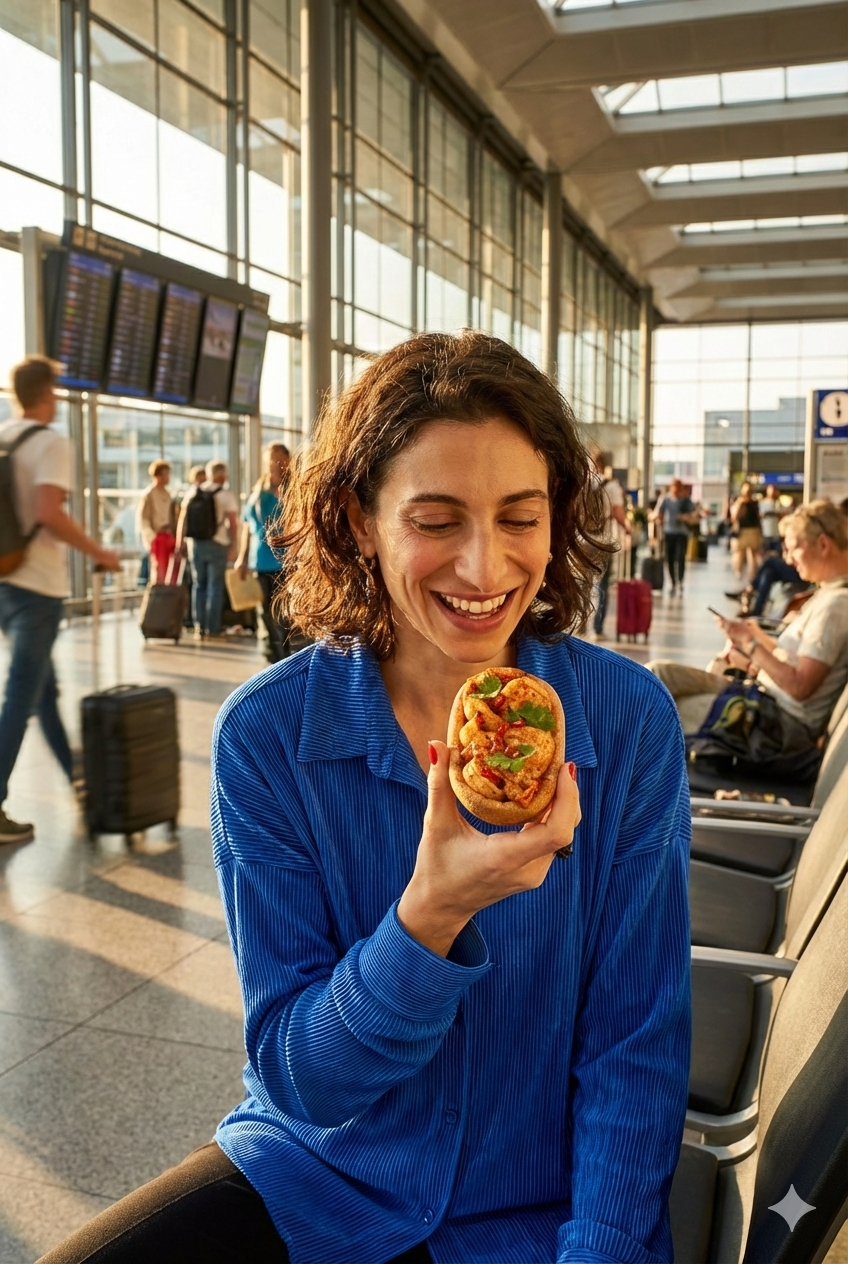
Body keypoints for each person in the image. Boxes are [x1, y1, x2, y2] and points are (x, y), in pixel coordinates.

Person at [45, 332, 691, 1264]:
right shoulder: (268, 737)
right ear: (357, 521)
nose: (484, 569)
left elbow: (636, 1050)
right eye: (435, 520)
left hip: (537, 1214)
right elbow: (303, 1081)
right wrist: (429, 918)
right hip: (320, 1181)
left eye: (520, 517)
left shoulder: (624, 723)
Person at [0, 355, 120, 845]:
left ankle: (76, 775)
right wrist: (100, 553)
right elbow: (50, 512)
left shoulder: (4, 436)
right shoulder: (51, 443)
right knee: (22, 694)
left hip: (4, 579)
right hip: (37, 588)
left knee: (41, 690)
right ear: (47, 394)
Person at [647, 500, 848, 739]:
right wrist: (747, 639)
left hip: (774, 722)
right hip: (762, 699)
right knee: (658, 675)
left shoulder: (835, 605)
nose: (789, 559)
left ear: (823, 545)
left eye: (794, 548)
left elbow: (799, 686)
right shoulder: (826, 595)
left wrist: (751, 646)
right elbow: (793, 658)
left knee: (656, 709)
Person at [235, 442, 291, 663]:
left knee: (285, 613)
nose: (275, 465)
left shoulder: (294, 489)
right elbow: (247, 528)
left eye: (280, 459)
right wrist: (241, 557)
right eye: (271, 460)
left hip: (287, 560)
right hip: (261, 560)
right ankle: (275, 657)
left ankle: (284, 654)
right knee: (266, 612)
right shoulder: (259, 492)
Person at [176, 460, 239, 639]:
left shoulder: (193, 491)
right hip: (217, 543)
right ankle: (213, 628)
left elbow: (183, 519)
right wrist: (234, 545)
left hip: (195, 544)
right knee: (215, 586)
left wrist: (180, 541)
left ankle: (199, 627)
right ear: (223, 475)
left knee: (199, 585)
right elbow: (232, 522)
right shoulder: (225, 494)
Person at [589, 447, 629, 640]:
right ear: (606, 464)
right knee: (602, 584)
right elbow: (618, 513)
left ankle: (578, 627)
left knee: (582, 583)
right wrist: (627, 528)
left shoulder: (581, 484)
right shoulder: (611, 486)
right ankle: (598, 629)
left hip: (581, 541)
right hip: (603, 541)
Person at [651, 478, 698, 594]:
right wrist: (657, 518)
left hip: (682, 533)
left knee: (680, 557)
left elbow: (695, 513)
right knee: (669, 558)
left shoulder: (685, 501)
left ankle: (680, 580)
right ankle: (673, 581)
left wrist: (685, 517)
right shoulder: (665, 499)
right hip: (669, 532)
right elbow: (659, 513)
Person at [136, 460, 176, 585]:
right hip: (158, 536)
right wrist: (151, 538)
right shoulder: (149, 494)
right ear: (158, 475)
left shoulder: (169, 494)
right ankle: (160, 596)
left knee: (172, 571)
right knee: (160, 570)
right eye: (165, 474)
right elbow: (144, 518)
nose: (168, 477)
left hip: (170, 535)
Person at [730, 482, 762, 581]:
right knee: (739, 554)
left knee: (753, 555)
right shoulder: (739, 502)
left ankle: (752, 577)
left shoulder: (755, 503)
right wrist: (741, 503)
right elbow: (734, 517)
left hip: (753, 530)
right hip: (742, 531)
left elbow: (758, 517)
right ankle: (738, 573)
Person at [758, 483, 782, 554]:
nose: (772, 492)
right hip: (765, 533)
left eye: (774, 490)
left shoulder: (779, 503)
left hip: (777, 534)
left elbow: (781, 515)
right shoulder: (762, 503)